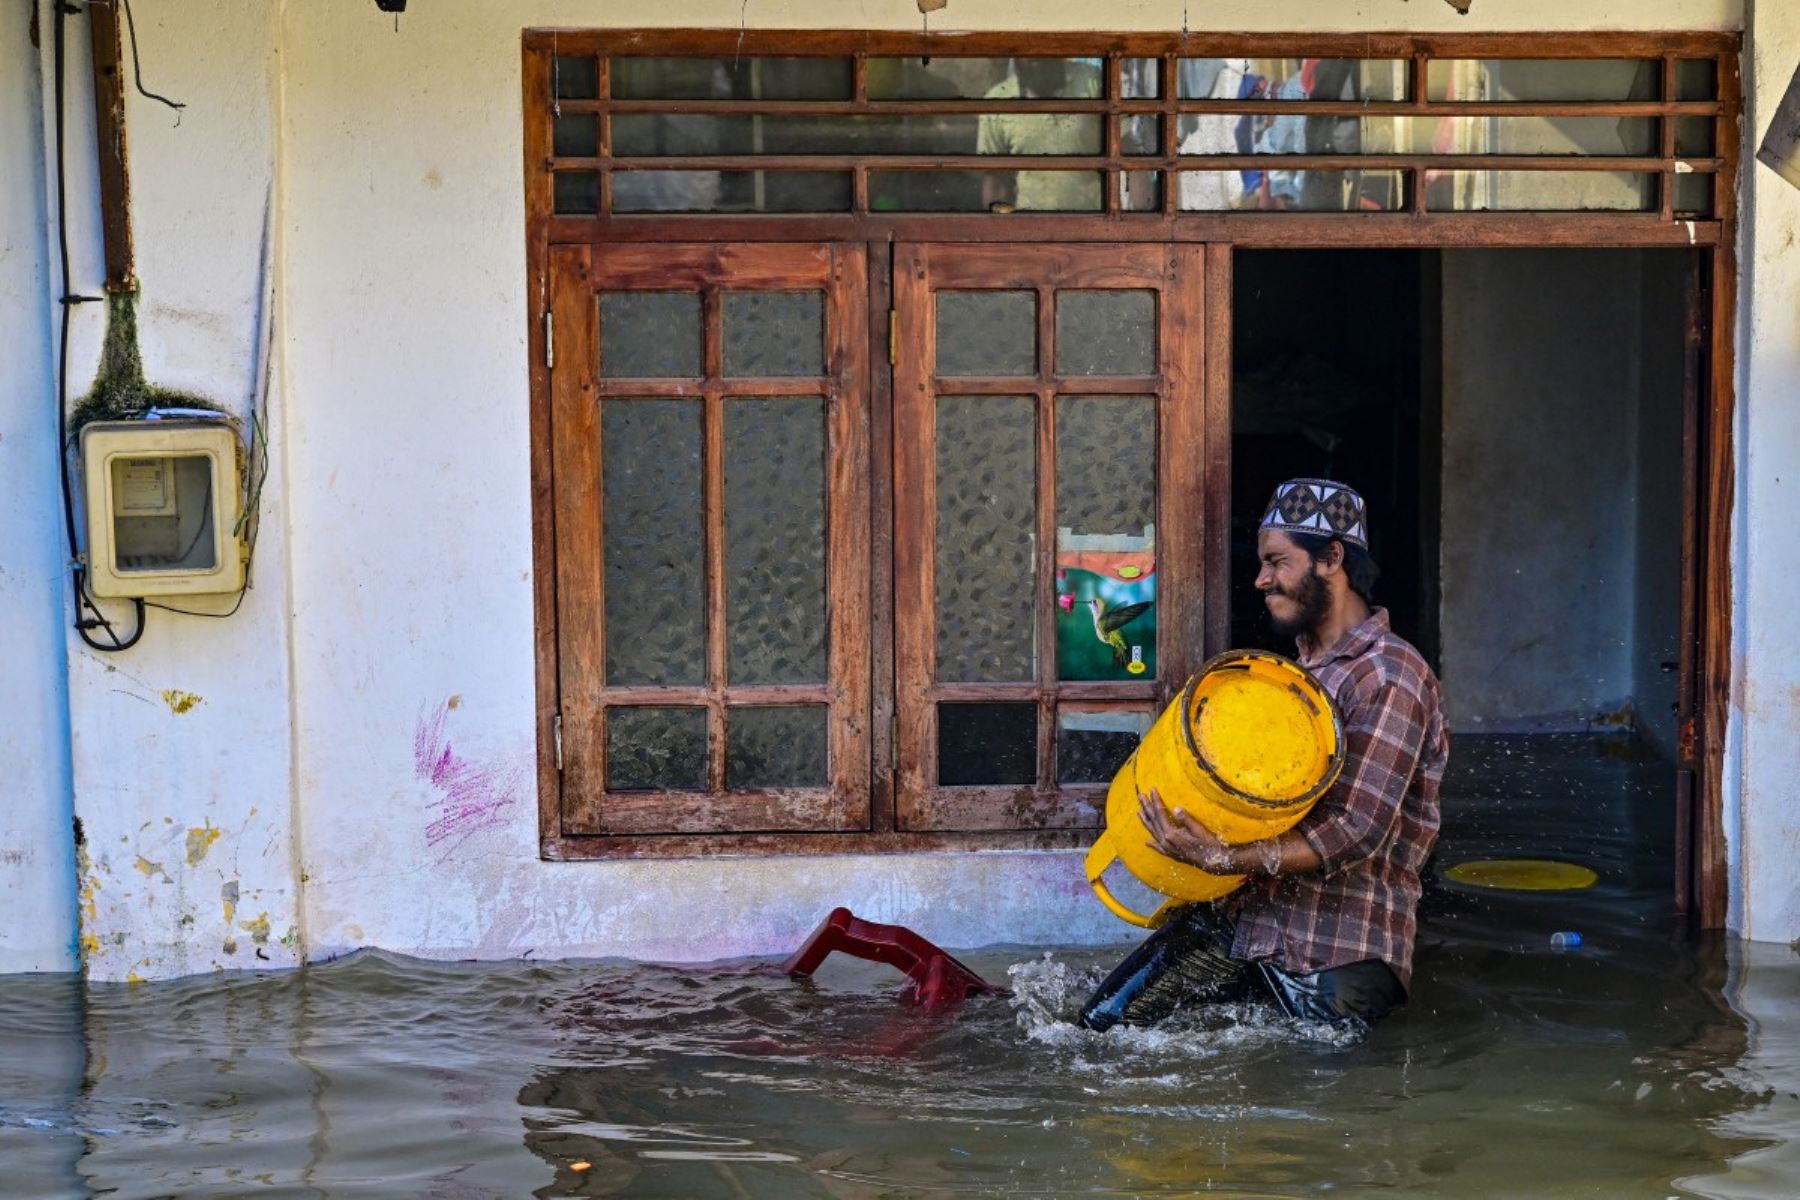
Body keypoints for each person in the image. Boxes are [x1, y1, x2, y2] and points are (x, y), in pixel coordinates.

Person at [1080, 478, 1449, 1034]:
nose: (1260, 579)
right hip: (1244, 928)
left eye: (1278, 561)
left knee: (1305, 1108)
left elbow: (1357, 830)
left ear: (1331, 558)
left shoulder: (1390, 673)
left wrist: (1226, 858)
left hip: (1337, 955)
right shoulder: (1291, 680)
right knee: (1099, 1031)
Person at [977, 59, 1103, 213]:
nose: (1035, 58)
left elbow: (1125, 153)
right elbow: (997, 183)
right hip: (1032, 229)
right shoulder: (997, 102)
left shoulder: (1093, 81)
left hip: (1093, 227)